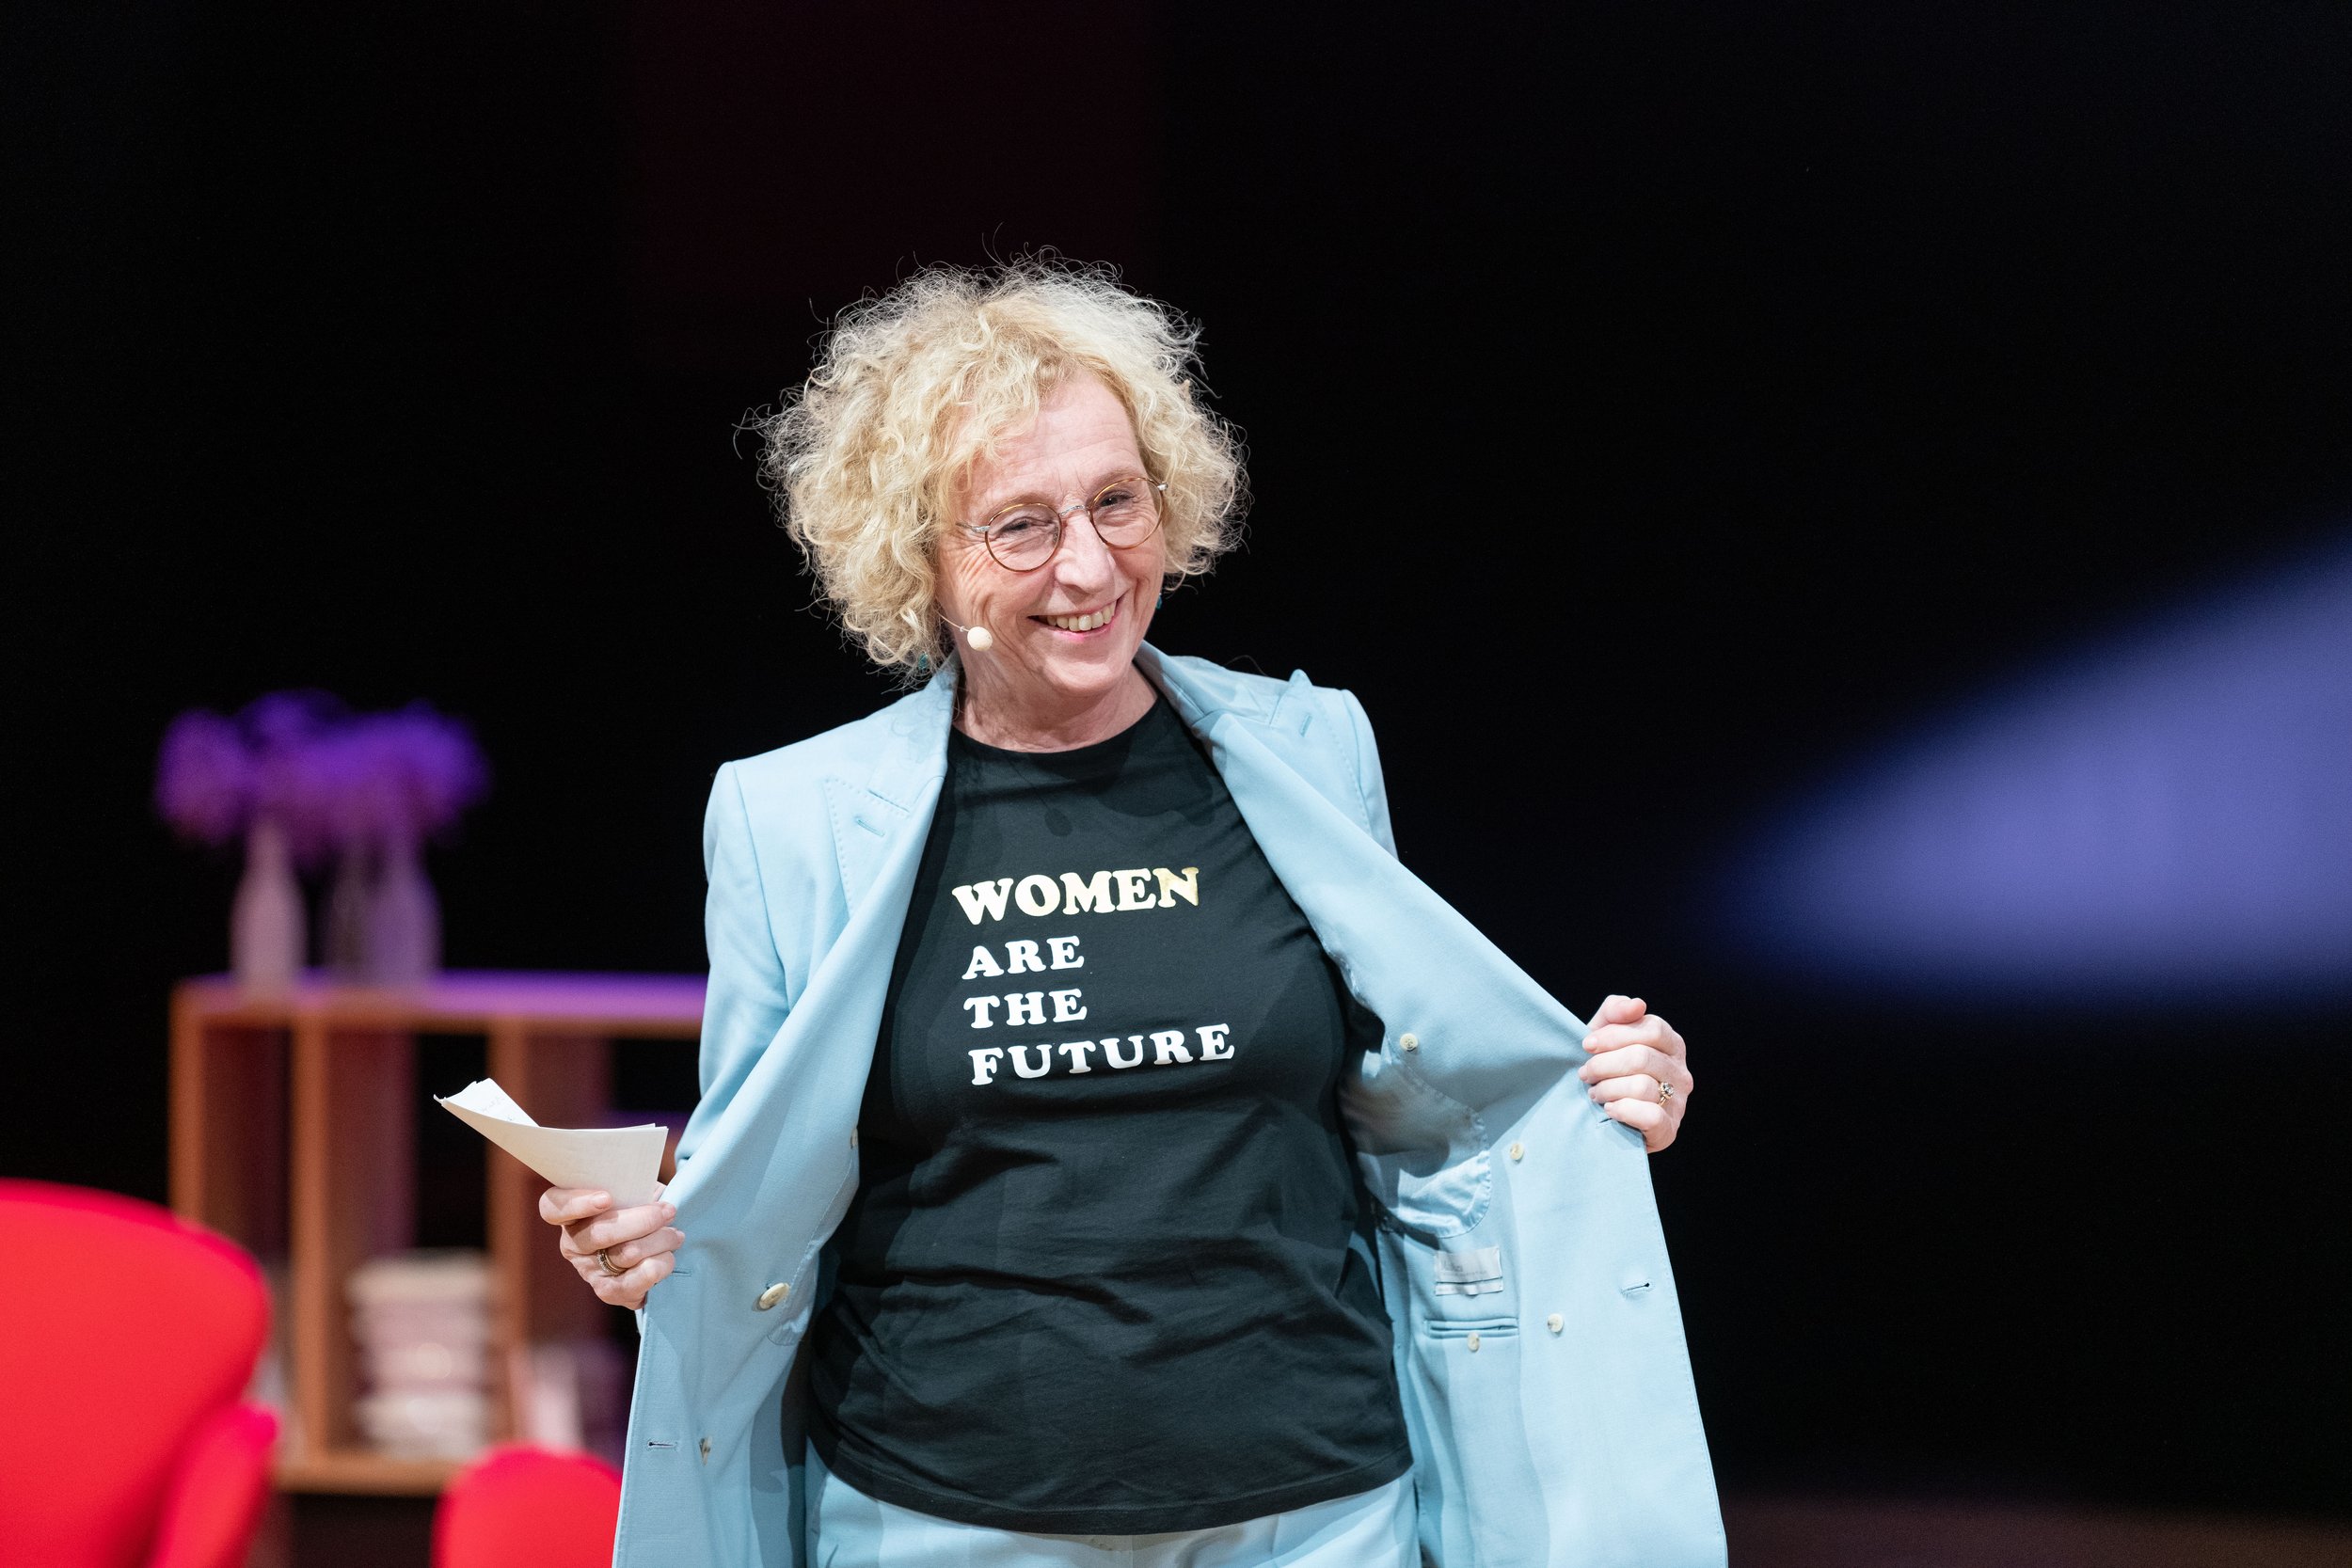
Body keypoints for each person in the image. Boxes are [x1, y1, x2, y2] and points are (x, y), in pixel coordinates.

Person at [541, 262, 1723, 1567]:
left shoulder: (1311, 749)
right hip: (944, 1522)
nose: (1090, 564)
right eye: (1021, 526)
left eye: (1117, 500)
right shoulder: (790, 819)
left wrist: (1593, 1099)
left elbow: (1419, 1104)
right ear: (919, 557)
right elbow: (750, 1178)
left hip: (1318, 1515)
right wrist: (654, 1239)